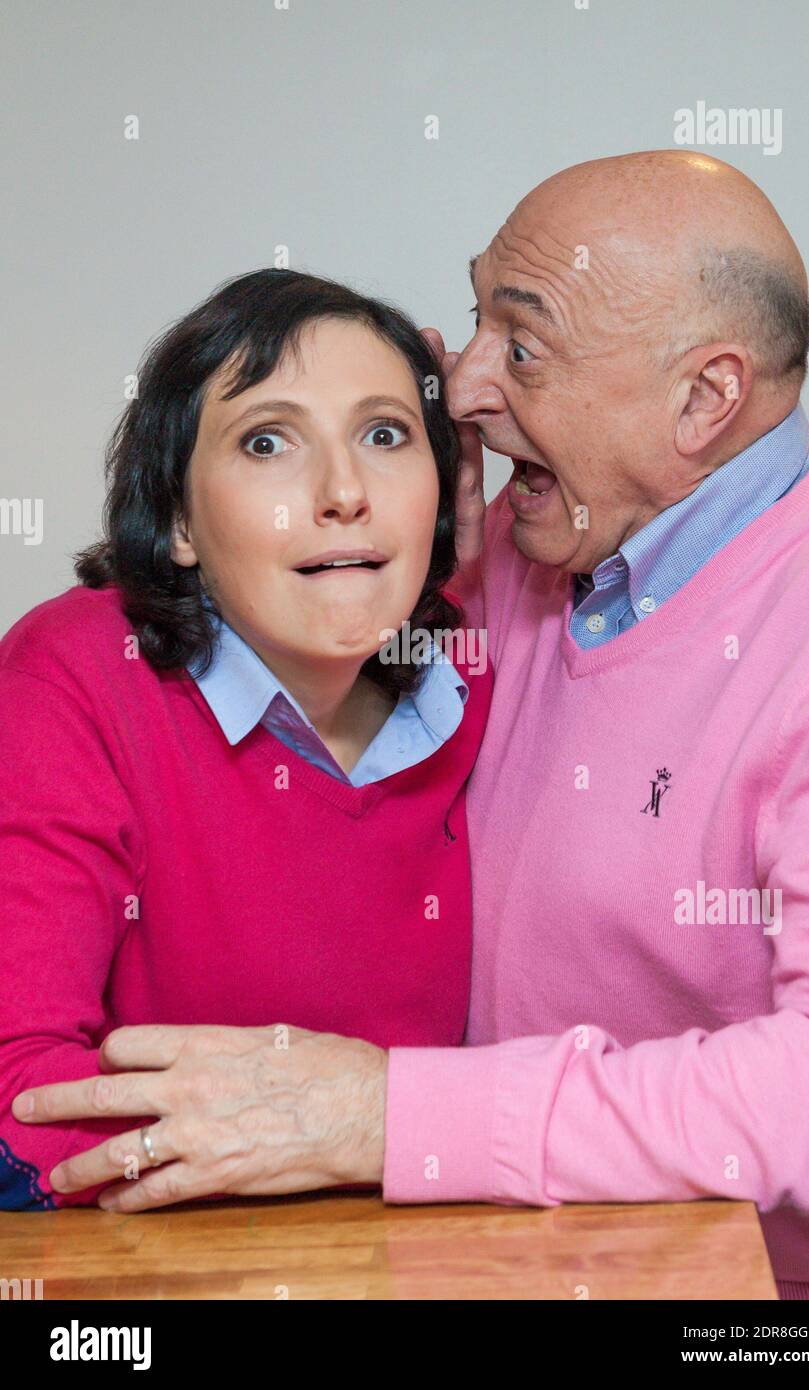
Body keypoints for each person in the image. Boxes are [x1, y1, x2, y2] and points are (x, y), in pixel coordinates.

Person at [18, 151, 809, 1304]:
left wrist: (389, 1114)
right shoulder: (517, 567)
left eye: (518, 346)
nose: (462, 389)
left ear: (701, 401)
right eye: (471, 325)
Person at [0, 267, 491, 1211]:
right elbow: (19, 1088)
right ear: (180, 520)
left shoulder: (479, 668)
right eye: (268, 442)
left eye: (385, 436)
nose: (345, 491)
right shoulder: (79, 673)